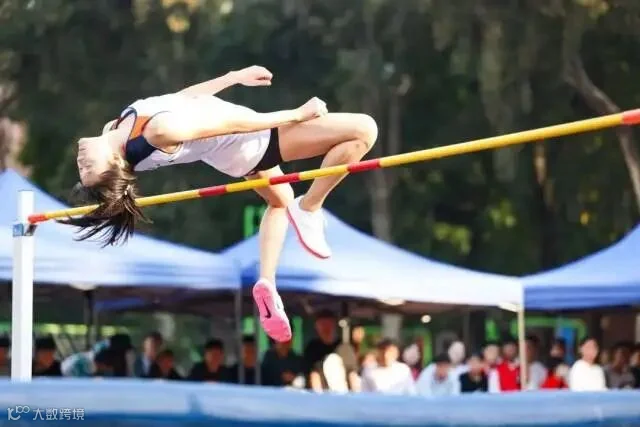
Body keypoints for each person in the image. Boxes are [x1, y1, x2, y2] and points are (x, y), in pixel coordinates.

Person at [61, 65, 378, 344]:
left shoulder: (116, 128)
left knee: (280, 202)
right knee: (363, 131)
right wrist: (298, 114)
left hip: (234, 152)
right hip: (249, 141)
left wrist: (233, 77)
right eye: (89, 168)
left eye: (82, 168)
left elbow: (183, 99)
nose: (81, 161)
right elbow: (231, 123)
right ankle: (309, 207)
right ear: (115, 163)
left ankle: (267, 282)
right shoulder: (158, 131)